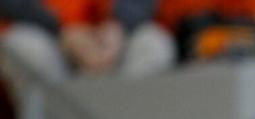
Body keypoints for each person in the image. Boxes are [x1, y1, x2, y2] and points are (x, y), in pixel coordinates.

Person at [0, 0, 175, 81]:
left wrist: (118, 26)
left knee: (153, 42)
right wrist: (61, 31)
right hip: (48, 37)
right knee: (24, 47)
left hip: (109, 37)